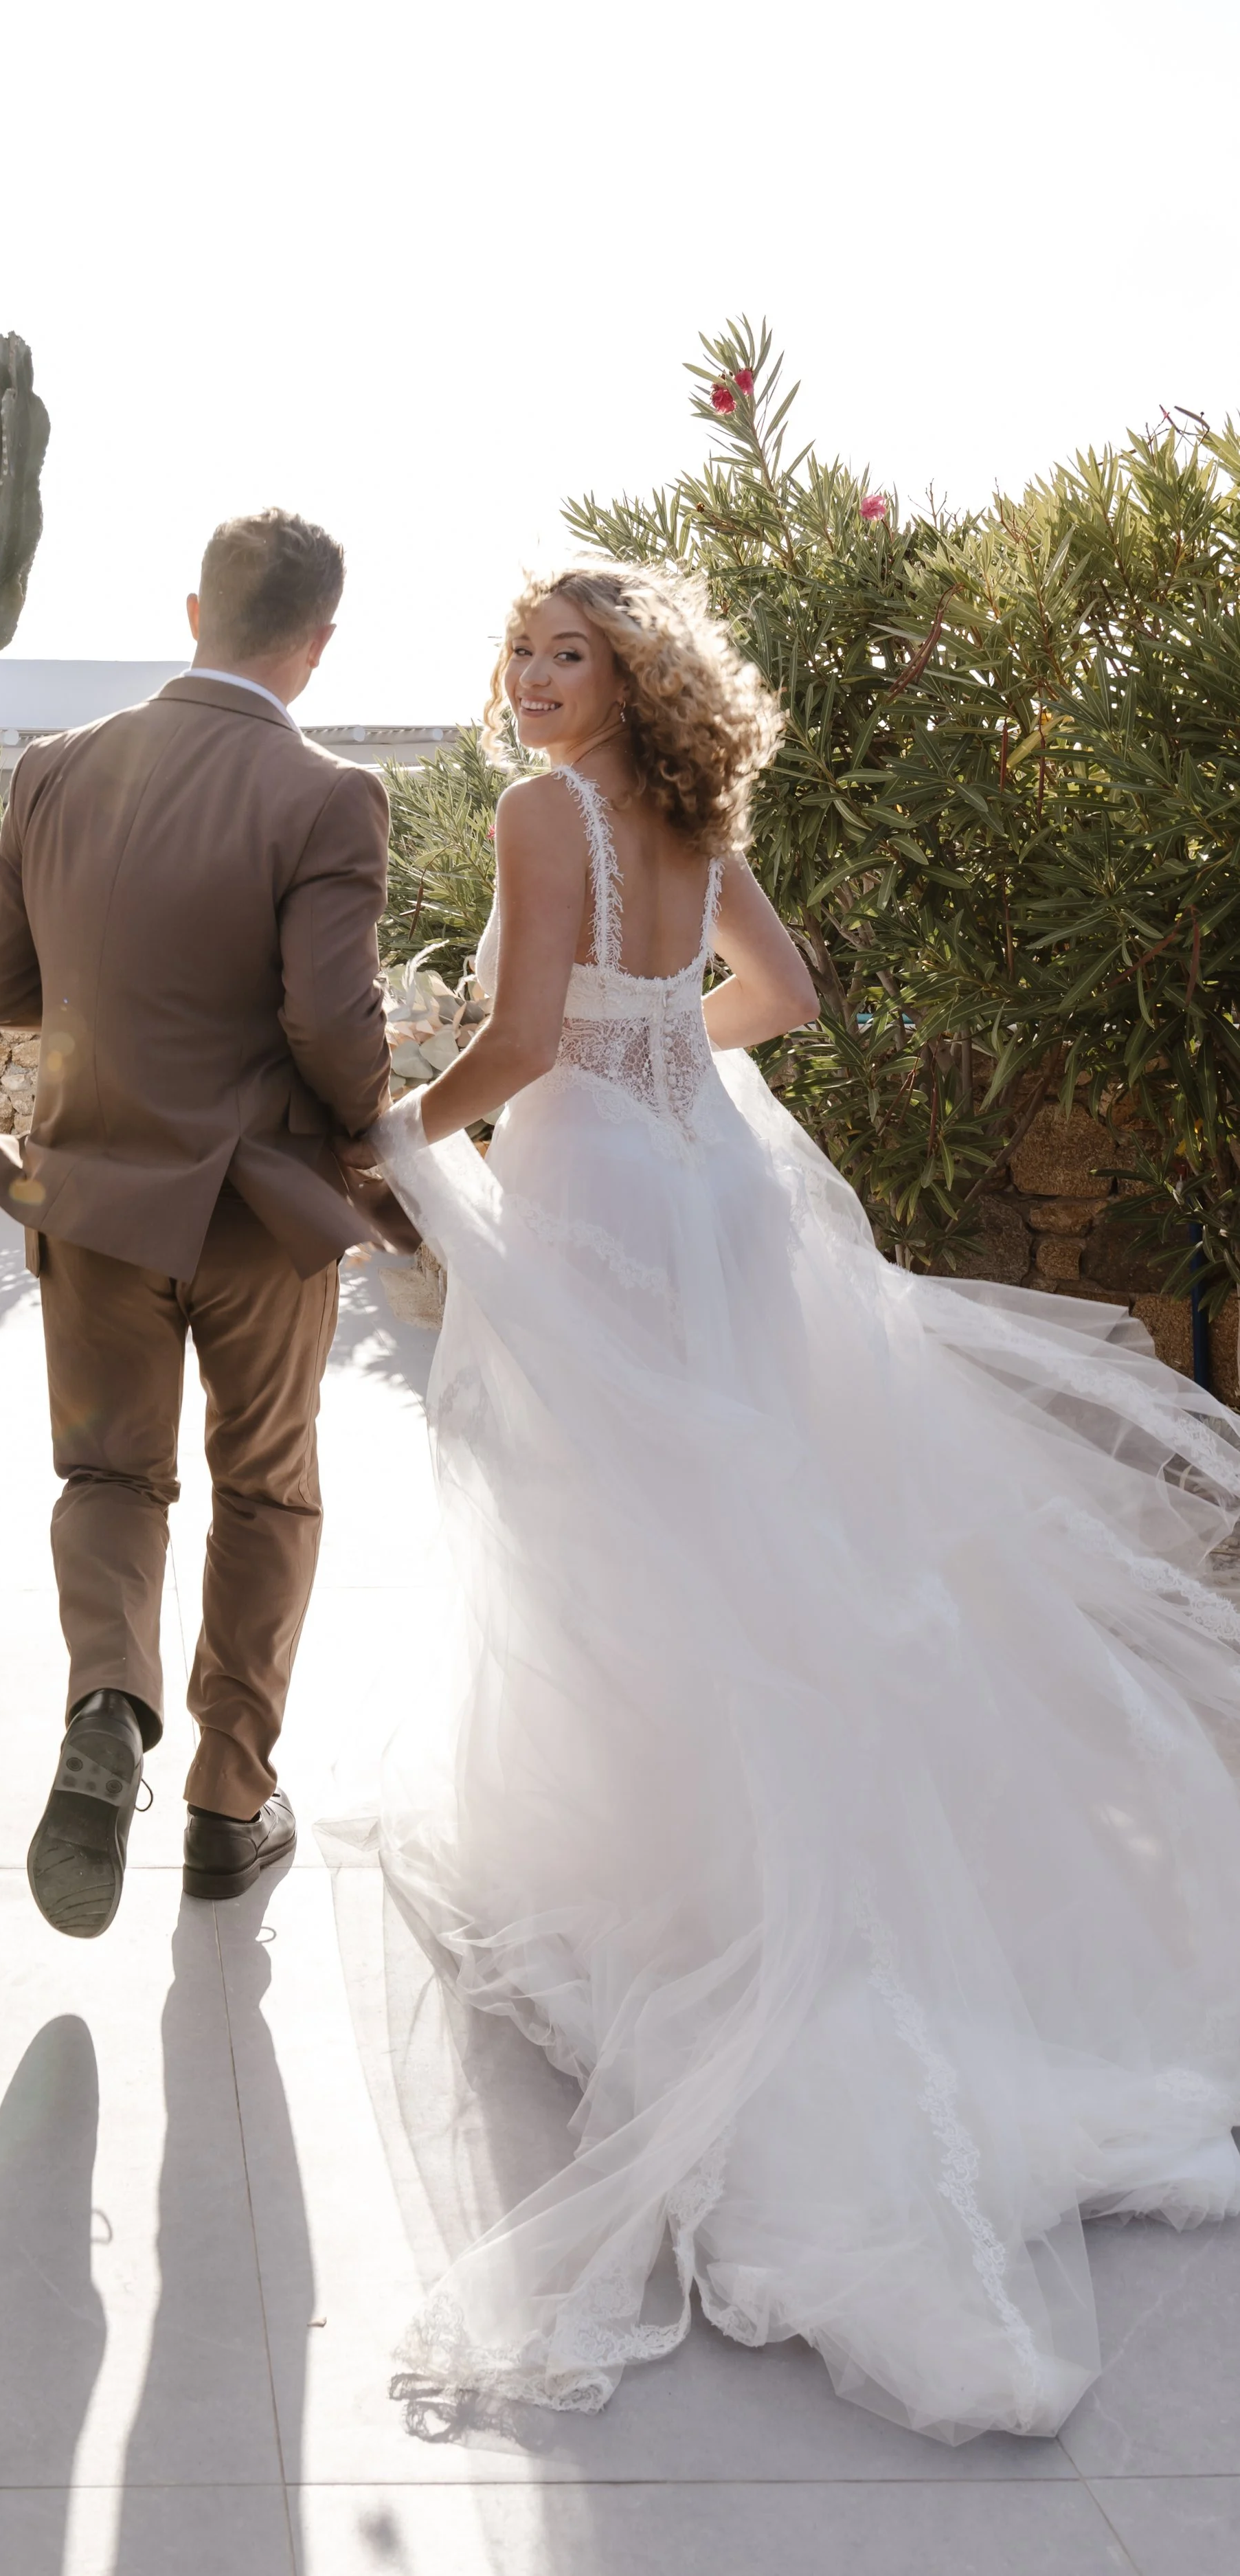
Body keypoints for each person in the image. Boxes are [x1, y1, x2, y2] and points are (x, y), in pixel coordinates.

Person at [359, 561, 1240, 2442]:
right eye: (520, 652)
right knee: (742, 1517)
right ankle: (770, 1853)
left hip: (598, 1177)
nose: (529, 682)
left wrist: (397, 1125)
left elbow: (515, 1045)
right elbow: (787, 995)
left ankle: (689, 1881)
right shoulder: (689, 807)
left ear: (627, 673)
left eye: (565, 655)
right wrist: (668, 1053)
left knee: (614, 1530)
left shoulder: (544, 813)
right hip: (716, 1184)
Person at [0, 509, 392, 1936]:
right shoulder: (329, 794)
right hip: (253, 1211)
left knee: (107, 1478)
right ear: (315, 644)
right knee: (264, 1489)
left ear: (193, 607)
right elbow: (329, 1020)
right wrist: (366, 1118)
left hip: (87, 1199)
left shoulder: (53, 768)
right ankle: (223, 1803)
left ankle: (104, 1706)